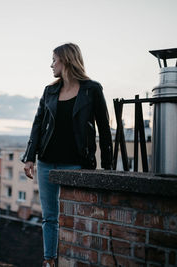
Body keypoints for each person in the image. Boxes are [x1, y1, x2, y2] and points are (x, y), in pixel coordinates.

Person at [21, 43, 112, 267]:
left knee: (78, 216)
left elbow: (104, 130)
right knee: (49, 217)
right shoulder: (49, 91)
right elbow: (38, 124)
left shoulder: (92, 89)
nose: (51, 64)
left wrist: (108, 169)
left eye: (54, 59)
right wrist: (29, 157)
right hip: (46, 163)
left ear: (66, 60)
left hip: (76, 164)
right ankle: (49, 260)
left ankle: (79, 261)